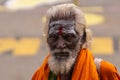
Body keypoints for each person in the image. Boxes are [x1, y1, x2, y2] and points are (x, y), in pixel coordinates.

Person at [32, 3, 120, 80]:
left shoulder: (105, 72)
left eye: (68, 37)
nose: (60, 45)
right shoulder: (42, 75)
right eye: (54, 37)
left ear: (83, 38)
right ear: (47, 40)